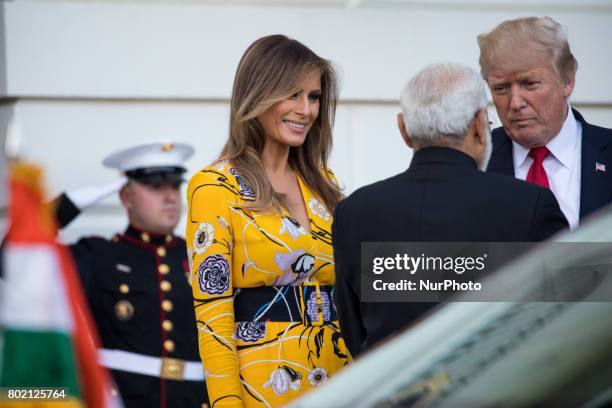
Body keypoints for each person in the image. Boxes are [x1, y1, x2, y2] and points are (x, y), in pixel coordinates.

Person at [332, 63, 568, 357]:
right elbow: (566, 322)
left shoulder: (354, 212)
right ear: (480, 126)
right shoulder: (530, 204)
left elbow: (354, 333)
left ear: (403, 129)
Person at [186, 35, 350, 407]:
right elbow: (213, 320)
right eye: (292, 94)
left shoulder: (325, 184)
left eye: (313, 97)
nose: (306, 110)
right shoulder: (214, 187)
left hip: (339, 378)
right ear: (256, 95)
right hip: (263, 387)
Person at [54, 142, 209, 408]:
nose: (170, 196)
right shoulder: (99, 255)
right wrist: (78, 200)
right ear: (125, 197)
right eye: (155, 187)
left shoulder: (201, 256)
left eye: (174, 185)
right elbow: (14, 255)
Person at [478, 17, 612, 229]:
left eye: (529, 84)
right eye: (501, 88)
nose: (515, 103)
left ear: (567, 81)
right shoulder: (474, 164)